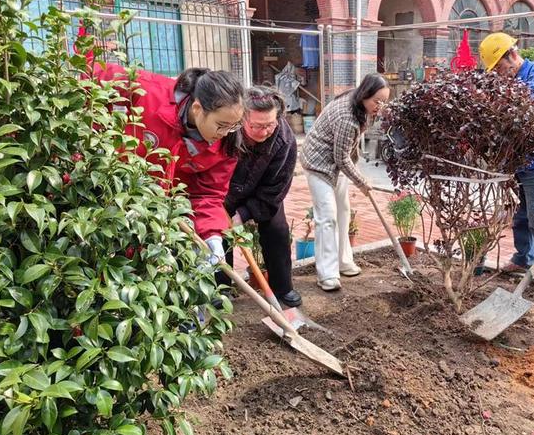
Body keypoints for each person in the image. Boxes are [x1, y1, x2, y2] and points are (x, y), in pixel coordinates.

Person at [95, 64, 245, 264]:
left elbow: (207, 194)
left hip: (159, 214)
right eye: (222, 125)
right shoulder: (146, 91)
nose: (226, 133)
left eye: (234, 125)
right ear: (197, 108)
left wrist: (212, 236)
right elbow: (91, 74)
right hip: (109, 192)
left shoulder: (226, 145)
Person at [479, 32, 534, 295]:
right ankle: (522, 258)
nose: (499, 75)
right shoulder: (510, 82)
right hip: (517, 159)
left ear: (512, 55)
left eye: (500, 68)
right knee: (520, 215)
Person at [300, 74, 389, 291]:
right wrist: (361, 180)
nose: (380, 106)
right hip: (318, 164)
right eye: (376, 101)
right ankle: (327, 274)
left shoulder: (360, 106)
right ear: (365, 94)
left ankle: (344, 261)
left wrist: (357, 176)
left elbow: (347, 152)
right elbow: (341, 157)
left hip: (336, 164)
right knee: (327, 217)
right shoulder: (346, 118)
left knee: (343, 211)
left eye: (384, 101)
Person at [223, 86, 301, 307]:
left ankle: (282, 288)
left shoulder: (284, 140)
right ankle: (222, 290)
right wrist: (230, 211)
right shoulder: (228, 131)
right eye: (257, 126)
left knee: (277, 229)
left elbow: (278, 186)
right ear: (242, 119)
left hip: (264, 192)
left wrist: (245, 213)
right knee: (219, 232)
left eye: (270, 124)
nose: (265, 131)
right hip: (225, 190)